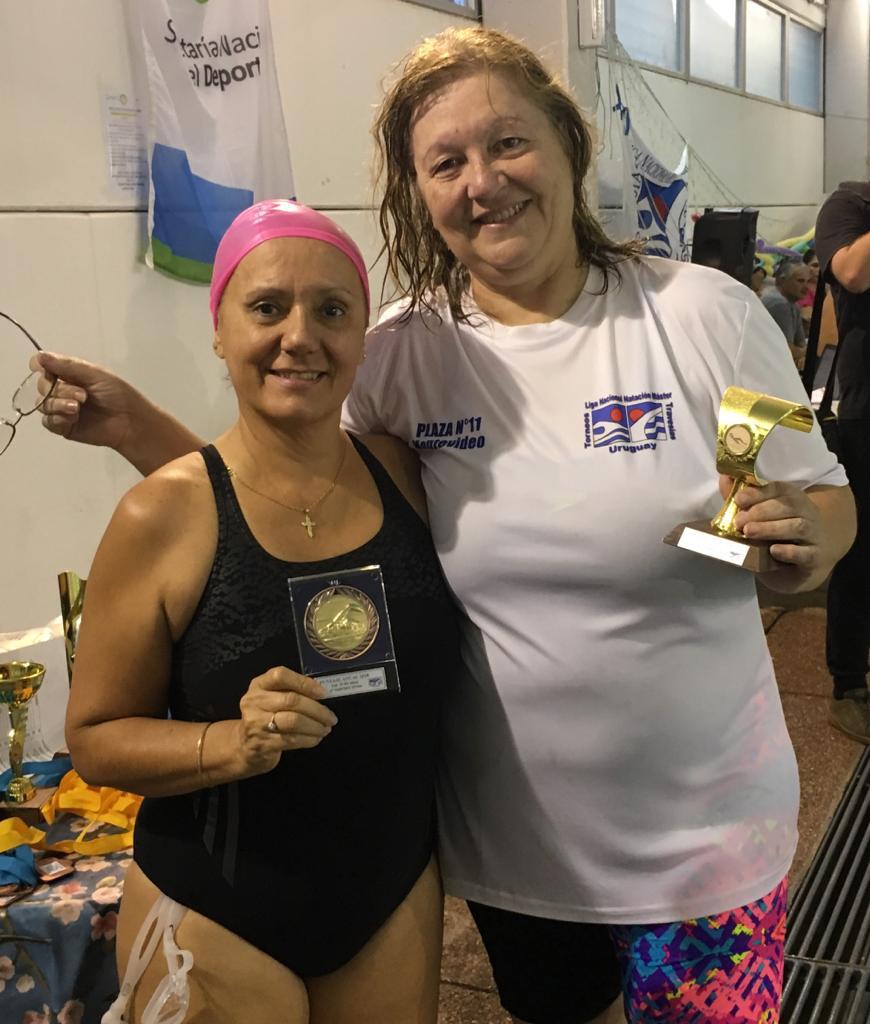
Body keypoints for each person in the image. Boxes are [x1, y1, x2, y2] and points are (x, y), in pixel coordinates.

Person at [34, 27, 855, 1024]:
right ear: (418, 191)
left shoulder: (704, 317)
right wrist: (139, 429)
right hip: (520, 857)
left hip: (707, 844)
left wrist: (805, 541)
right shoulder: (404, 355)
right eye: (446, 162)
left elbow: (815, 498)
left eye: (507, 143)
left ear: (568, 144)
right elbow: (277, 496)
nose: (483, 182)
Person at [64, 201, 459, 1024]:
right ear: (219, 330)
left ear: (362, 337)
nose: (300, 336)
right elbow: (95, 737)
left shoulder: (403, 473)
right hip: (217, 909)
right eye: (268, 307)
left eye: (332, 310)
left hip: (391, 897)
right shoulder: (159, 515)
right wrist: (228, 744)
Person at [815, 182, 870, 744]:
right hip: (866, 414)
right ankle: (848, 685)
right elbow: (854, 272)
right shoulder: (851, 205)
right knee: (861, 553)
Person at [760, 258, 812, 369]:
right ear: (781, 281)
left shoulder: (793, 304)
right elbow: (787, 352)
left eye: (808, 281)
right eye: (800, 281)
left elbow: (800, 345)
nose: (806, 287)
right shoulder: (779, 304)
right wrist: (805, 352)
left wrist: (802, 354)